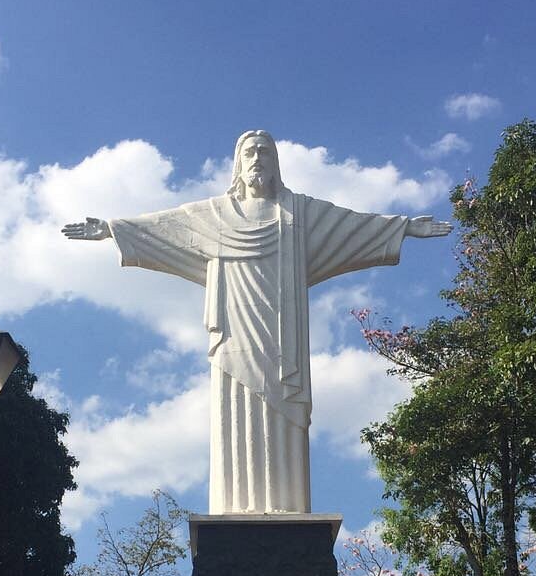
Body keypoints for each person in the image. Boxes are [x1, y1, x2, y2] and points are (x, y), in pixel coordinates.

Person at [63, 130, 449, 515]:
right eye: (249, 152)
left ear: (276, 162)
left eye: (265, 151)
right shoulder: (214, 216)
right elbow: (166, 226)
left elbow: (348, 226)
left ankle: (288, 504)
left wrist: (403, 228)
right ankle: (234, 507)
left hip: (284, 343)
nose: (258, 158)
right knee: (234, 414)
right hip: (234, 337)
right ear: (238, 163)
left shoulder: (298, 214)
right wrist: (113, 229)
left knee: (284, 416)